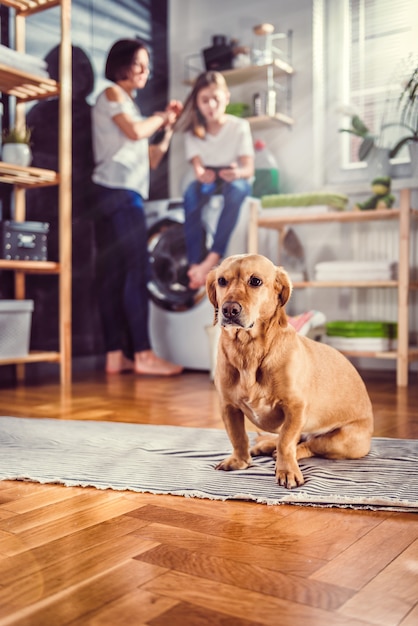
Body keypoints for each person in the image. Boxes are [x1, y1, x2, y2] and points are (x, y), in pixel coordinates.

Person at [92, 38, 183, 376]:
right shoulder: (113, 93)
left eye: (148, 64)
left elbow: (151, 158)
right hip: (118, 193)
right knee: (138, 271)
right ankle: (144, 355)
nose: (146, 70)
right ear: (120, 66)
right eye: (139, 63)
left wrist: (167, 129)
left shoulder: (128, 105)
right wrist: (160, 117)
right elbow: (134, 132)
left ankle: (116, 356)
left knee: (114, 277)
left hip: (113, 193)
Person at [175, 71, 254, 290]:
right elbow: (198, 168)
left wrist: (236, 173)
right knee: (191, 194)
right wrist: (201, 174)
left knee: (237, 190)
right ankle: (194, 264)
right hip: (208, 181)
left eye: (215, 99)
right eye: (204, 100)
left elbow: (248, 169)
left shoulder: (239, 126)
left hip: (232, 178)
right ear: (197, 103)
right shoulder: (194, 132)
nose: (210, 105)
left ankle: (212, 258)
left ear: (226, 98)